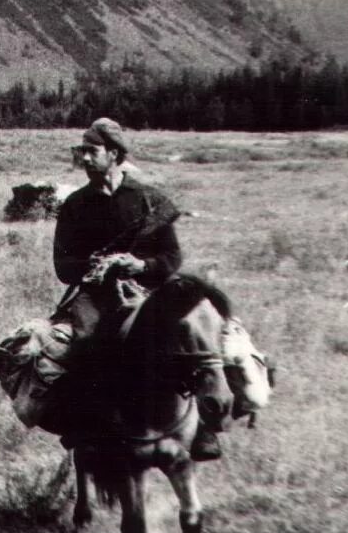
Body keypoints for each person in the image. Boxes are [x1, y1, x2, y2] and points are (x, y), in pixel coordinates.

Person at [51, 117, 221, 461]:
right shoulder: (75, 205)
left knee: (203, 334)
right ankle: (87, 427)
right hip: (96, 296)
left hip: (150, 288)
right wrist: (96, 267)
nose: (83, 158)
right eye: (80, 151)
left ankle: (207, 425)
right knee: (84, 344)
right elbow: (62, 267)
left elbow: (172, 257)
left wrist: (140, 265)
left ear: (113, 154)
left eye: (91, 151)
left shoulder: (149, 201)